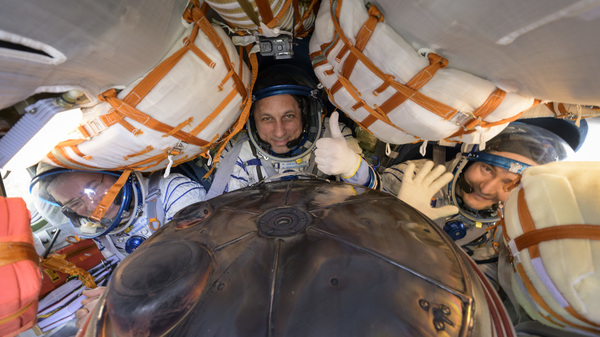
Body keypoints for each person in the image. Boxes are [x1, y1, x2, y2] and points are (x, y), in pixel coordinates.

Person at [380, 122, 573, 285]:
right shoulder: (413, 179)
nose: (487, 188)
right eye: (487, 169)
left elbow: (476, 291)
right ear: (466, 161)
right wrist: (400, 215)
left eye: (509, 183)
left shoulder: (503, 233)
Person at [29, 163, 207, 330]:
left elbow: (194, 267)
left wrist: (121, 302)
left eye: (93, 188)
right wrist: (109, 299)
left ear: (113, 172)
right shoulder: (103, 233)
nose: (92, 205)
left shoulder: (174, 190)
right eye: (75, 203)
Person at [206, 64, 379, 198]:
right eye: (267, 118)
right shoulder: (238, 153)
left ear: (305, 115)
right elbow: (228, 218)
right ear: (252, 120)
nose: (279, 132)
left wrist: (353, 167)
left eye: (288, 116)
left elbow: (375, 202)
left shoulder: (333, 137)